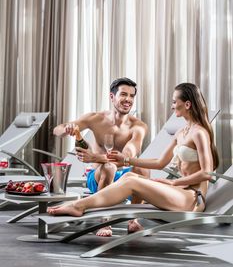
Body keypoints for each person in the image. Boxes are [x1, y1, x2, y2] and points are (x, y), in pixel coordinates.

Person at [48, 83, 219, 226]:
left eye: (175, 102)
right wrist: (127, 159)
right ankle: (83, 206)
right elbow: (160, 162)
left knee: (131, 181)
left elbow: (207, 172)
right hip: (178, 192)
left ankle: (79, 206)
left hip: (192, 198)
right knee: (130, 174)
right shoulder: (181, 132)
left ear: (187, 104)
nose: (172, 105)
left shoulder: (199, 133)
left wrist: (174, 181)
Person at [53, 77, 148, 236]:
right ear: (112, 97)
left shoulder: (139, 127)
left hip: (125, 177)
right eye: (124, 94)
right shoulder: (96, 119)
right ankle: (104, 221)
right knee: (109, 167)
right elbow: (57, 129)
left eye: (132, 96)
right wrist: (66, 129)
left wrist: (95, 157)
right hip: (98, 177)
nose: (128, 100)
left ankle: (134, 221)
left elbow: (127, 157)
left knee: (142, 168)